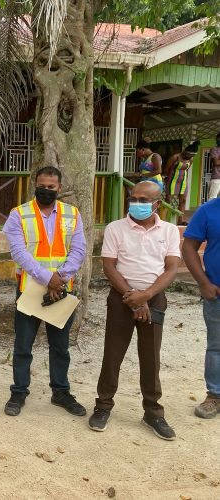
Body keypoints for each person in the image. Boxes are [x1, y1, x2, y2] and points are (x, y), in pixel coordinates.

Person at [89, 181, 180, 440]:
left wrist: (147, 296)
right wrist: (134, 299)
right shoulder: (115, 228)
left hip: (154, 299)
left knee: (151, 357)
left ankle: (153, 413)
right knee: (113, 354)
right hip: (121, 299)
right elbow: (109, 266)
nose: (136, 203)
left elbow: (171, 267)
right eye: (133, 198)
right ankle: (103, 406)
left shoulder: (170, 230)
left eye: (143, 200)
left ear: (157, 204)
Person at [2, 166, 87, 417]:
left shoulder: (73, 214)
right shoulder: (18, 214)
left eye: (51, 187)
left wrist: (60, 278)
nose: (46, 190)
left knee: (60, 347)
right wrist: (48, 277)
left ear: (59, 188)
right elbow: (18, 252)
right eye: (42, 185)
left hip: (61, 290)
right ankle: (18, 392)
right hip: (29, 289)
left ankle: (61, 392)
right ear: (34, 185)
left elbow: (79, 250)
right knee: (23, 345)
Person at [182, 195, 220, 418]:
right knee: (217, 347)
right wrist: (203, 283)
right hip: (217, 294)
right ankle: (215, 395)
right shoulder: (207, 211)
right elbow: (189, 248)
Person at [163, 141, 199, 225]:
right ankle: (164, 220)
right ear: (185, 151)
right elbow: (166, 169)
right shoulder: (175, 157)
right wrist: (166, 178)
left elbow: (187, 169)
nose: (189, 157)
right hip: (172, 181)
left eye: (191, 156)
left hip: (183, 182)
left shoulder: (190, 159)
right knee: (168, 201)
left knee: (183, 201)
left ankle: (180, 220)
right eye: (188, 155)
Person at [208, 132, 220, 200]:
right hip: (217, 177)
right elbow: (216, 162)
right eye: (218, 139)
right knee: (212, 199)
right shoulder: (214, 149)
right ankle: (209, 211)